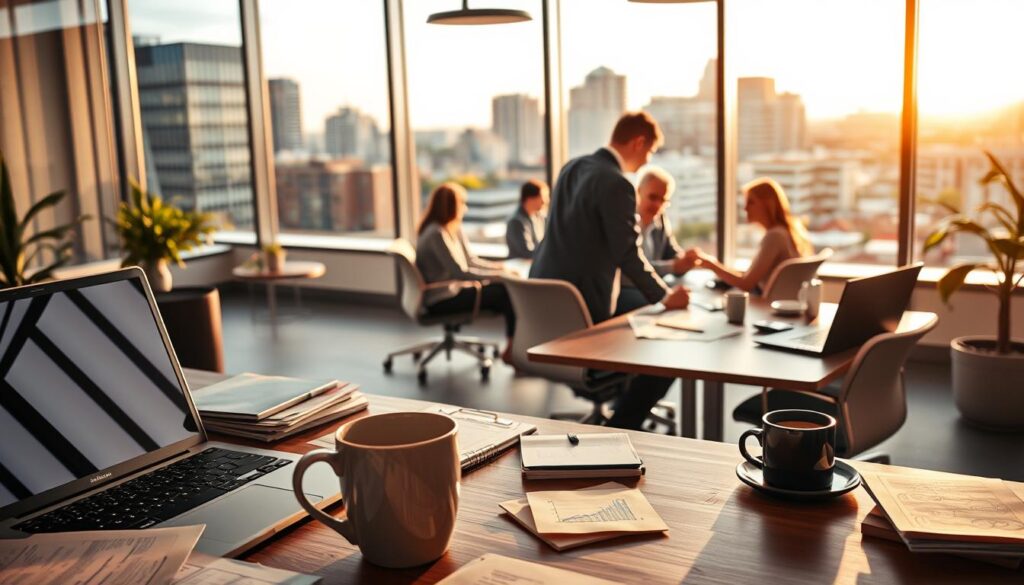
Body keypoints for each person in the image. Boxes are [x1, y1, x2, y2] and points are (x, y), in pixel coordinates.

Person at [530, 111, 688, 430]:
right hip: (586, 312)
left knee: (644, 311)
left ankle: (622, 403)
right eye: (650, 152)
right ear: (638, 142)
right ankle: (624, 424)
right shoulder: (618, 183)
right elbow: (628, 254)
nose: (646, 161)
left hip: (548, 307)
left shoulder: (572, 167)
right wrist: (666, 296)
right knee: (672, 344)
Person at [416, 182, 516, 360]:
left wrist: (499, 268)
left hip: (453, 290)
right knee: (505, 293)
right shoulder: (436, 234)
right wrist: (498, 277)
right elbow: (460, 272)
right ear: (451, 206)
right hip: (442, 299)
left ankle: (514, 345)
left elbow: (471, 260)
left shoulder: (453, 229)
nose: (466, 208)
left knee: (503, 288)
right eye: (462, 203)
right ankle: (512, 349)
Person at [686, 177, 812, 294]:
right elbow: (751, 277)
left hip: (764, 306)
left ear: (767, 204)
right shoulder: (783, 232)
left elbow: (747, 284)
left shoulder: (774, 236)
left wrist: (711, 265)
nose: (745, 208)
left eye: (751, 202)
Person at [615, 165, 696, 315]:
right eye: (653, 197)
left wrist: (684, 260)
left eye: (663, 200)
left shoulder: (661, 220)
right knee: (661, 304)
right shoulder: (624, 220)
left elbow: (672, 252)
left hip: (650, 287)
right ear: (638, 191)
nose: (658, 205)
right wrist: (672, 267)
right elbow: (631, 270)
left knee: (687, 293)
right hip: (627, 289)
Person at [506, 179, 549, 259]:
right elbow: (527, 252)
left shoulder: (540, 217)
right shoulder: (516, 222)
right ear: (530, 199)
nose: (545, 201)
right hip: (520, 267)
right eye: (542, 197)